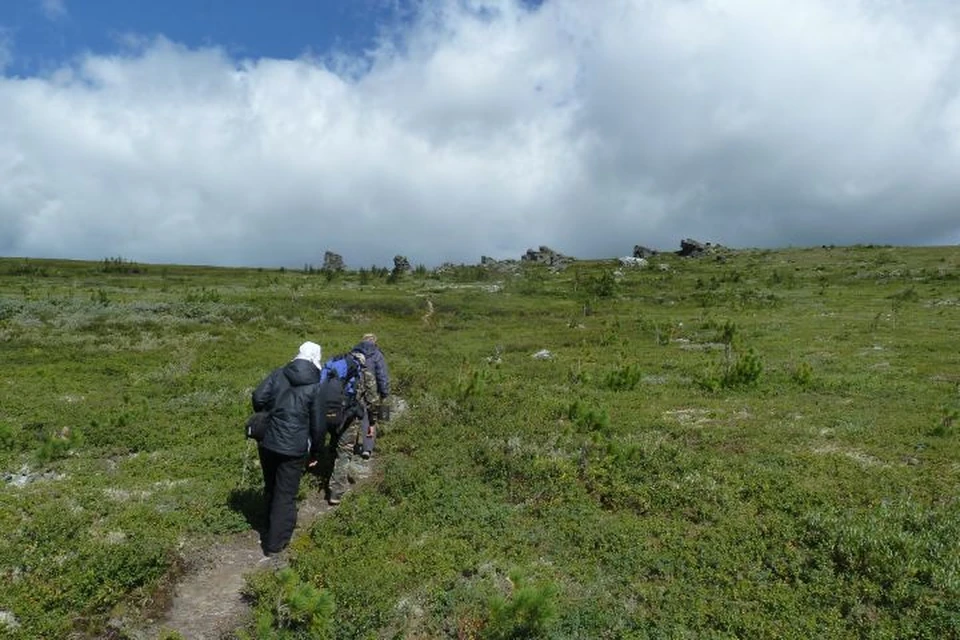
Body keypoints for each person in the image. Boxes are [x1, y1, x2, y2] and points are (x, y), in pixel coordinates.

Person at [251, 341, 327, 557]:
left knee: (271, 486)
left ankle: (266, 525)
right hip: (294, 447)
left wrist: (269, 414)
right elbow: (318, 425)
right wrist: (316, 452)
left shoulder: (279, 372)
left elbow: (258, 397)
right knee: (285, 494)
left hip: (268, 441)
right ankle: (275, 544)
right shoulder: (316, 385)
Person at [351, 333, 391, 459]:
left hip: (355, 390)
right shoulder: (377, 354)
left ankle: (351, 445)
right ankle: (367, 448)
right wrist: (384, 392)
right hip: (372, 391)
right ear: (374, 341)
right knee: (370, 418)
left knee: (354, 417)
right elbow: (382, 375)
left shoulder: (353, 353)